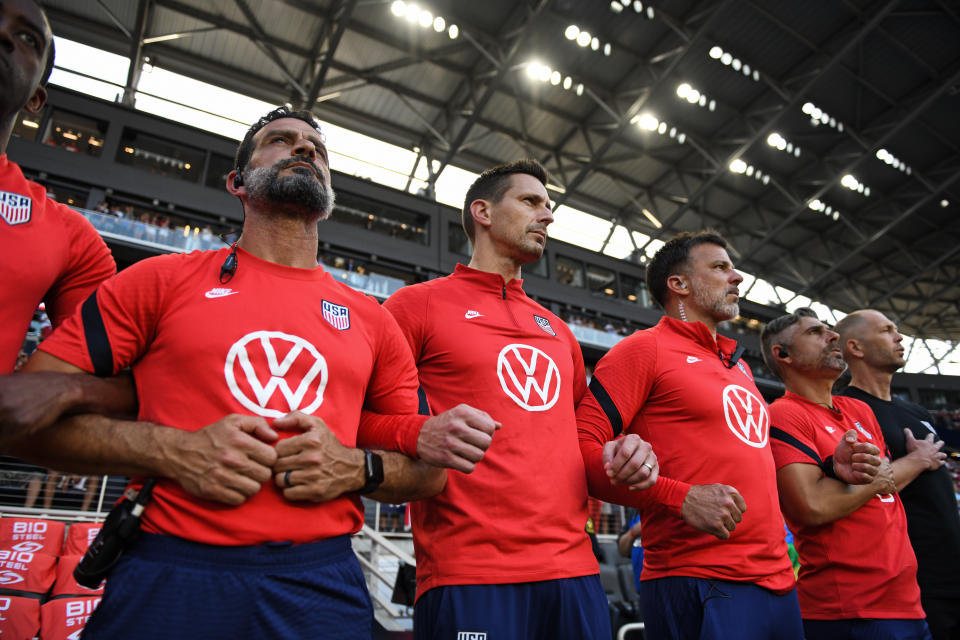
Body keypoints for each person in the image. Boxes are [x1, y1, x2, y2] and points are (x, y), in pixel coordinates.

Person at [7, 106, 499, 639]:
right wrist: (173, 450)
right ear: (238, 182)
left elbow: (430, 472)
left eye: (318, 148)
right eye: (280, 140)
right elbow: (21, 415)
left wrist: (357, 469)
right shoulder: (156, 282)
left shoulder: (373, 321)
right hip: (171, 569)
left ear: (329, 195)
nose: (305, 149)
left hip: (321, 580)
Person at [381, 159, 657, 639]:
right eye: (531, 202)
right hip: (469, 570)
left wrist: (623, 458)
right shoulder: (415, 306)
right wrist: (416, 432)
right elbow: (366, 413)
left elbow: (580, 446)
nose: (547, 216)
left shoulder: (559, 333)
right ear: (482, 212)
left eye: (548, 207)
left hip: (574, 572)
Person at [575, 230, 879, 640]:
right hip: (698, 576)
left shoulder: (740, 369)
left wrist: (830, 466)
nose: (736, 277)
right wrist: (679, 496)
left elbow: (748, 461)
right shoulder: (642, 351)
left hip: (778, 581)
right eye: (720, 267)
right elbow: (580, 451)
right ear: (679, 284)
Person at [761, 307, 945, 640]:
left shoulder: (859, 410)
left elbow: (887, 483)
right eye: (815, 332)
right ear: (782, 354)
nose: (832, 336)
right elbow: (813, 506)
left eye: (830, 330)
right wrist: (910, 464)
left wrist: (887, 474)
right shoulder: (783, 414)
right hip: (850, 608)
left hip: (907, 601)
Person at [0, 0, 115, 377]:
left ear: (36, 99)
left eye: (27, 38)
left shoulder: (71, 239)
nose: (4, 34)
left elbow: (101, 373)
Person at [835, 309, 960, 640]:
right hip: (912, 576)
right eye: (887, 330)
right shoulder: (845, 410)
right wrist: (917, 460)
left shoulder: (916, 411)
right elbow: (855, 490)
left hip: (951, 562)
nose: (900, 336)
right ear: (856, 348)